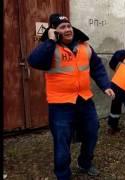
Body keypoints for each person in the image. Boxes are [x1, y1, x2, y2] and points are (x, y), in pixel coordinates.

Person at [28, 13, 115, 179]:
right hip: (60, 104)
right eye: (62, 27)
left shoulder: (85, 46)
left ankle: (85, 163)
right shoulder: (49, 48)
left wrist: (105, 86)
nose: (67, 29)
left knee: (92, 132)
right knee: (62, 141)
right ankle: (63, 174)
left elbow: (96, 67)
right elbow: (34, 61)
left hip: (84, 100)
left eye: (68, 26)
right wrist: (50, 40)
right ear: (54, 31)